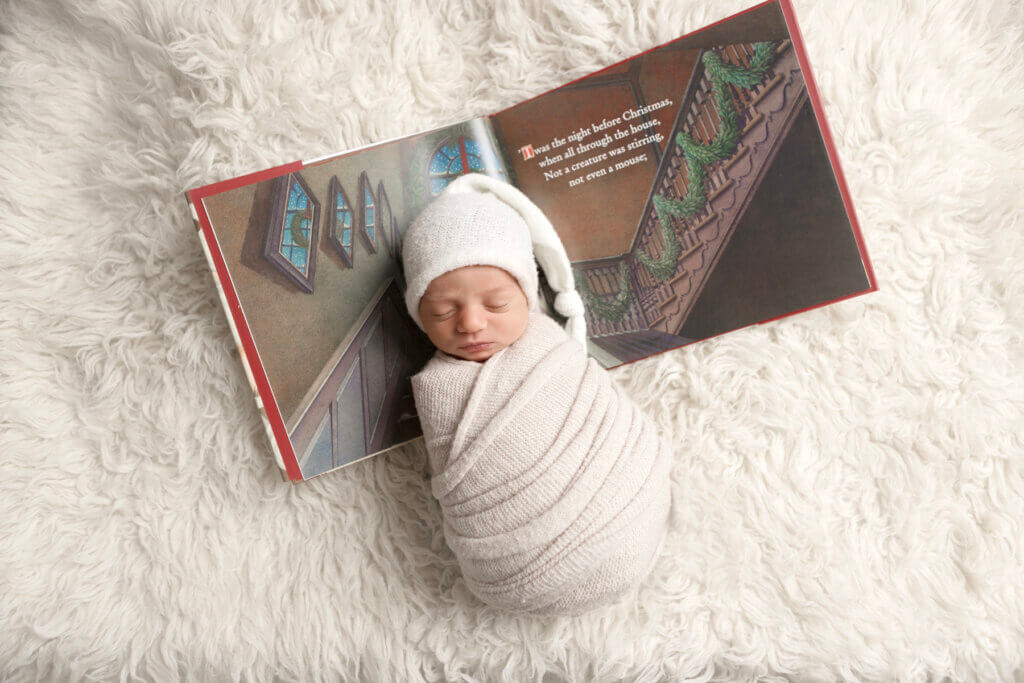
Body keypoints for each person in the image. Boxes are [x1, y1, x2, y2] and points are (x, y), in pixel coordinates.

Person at [400, 172, 672, 616]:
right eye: (443, 311)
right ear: (418, 314)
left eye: (496, 305)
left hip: (627, 508)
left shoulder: (550, 348)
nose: (470, 323)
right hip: (516, 573)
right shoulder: (437, 388)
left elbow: (598, 416)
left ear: (526, 297)